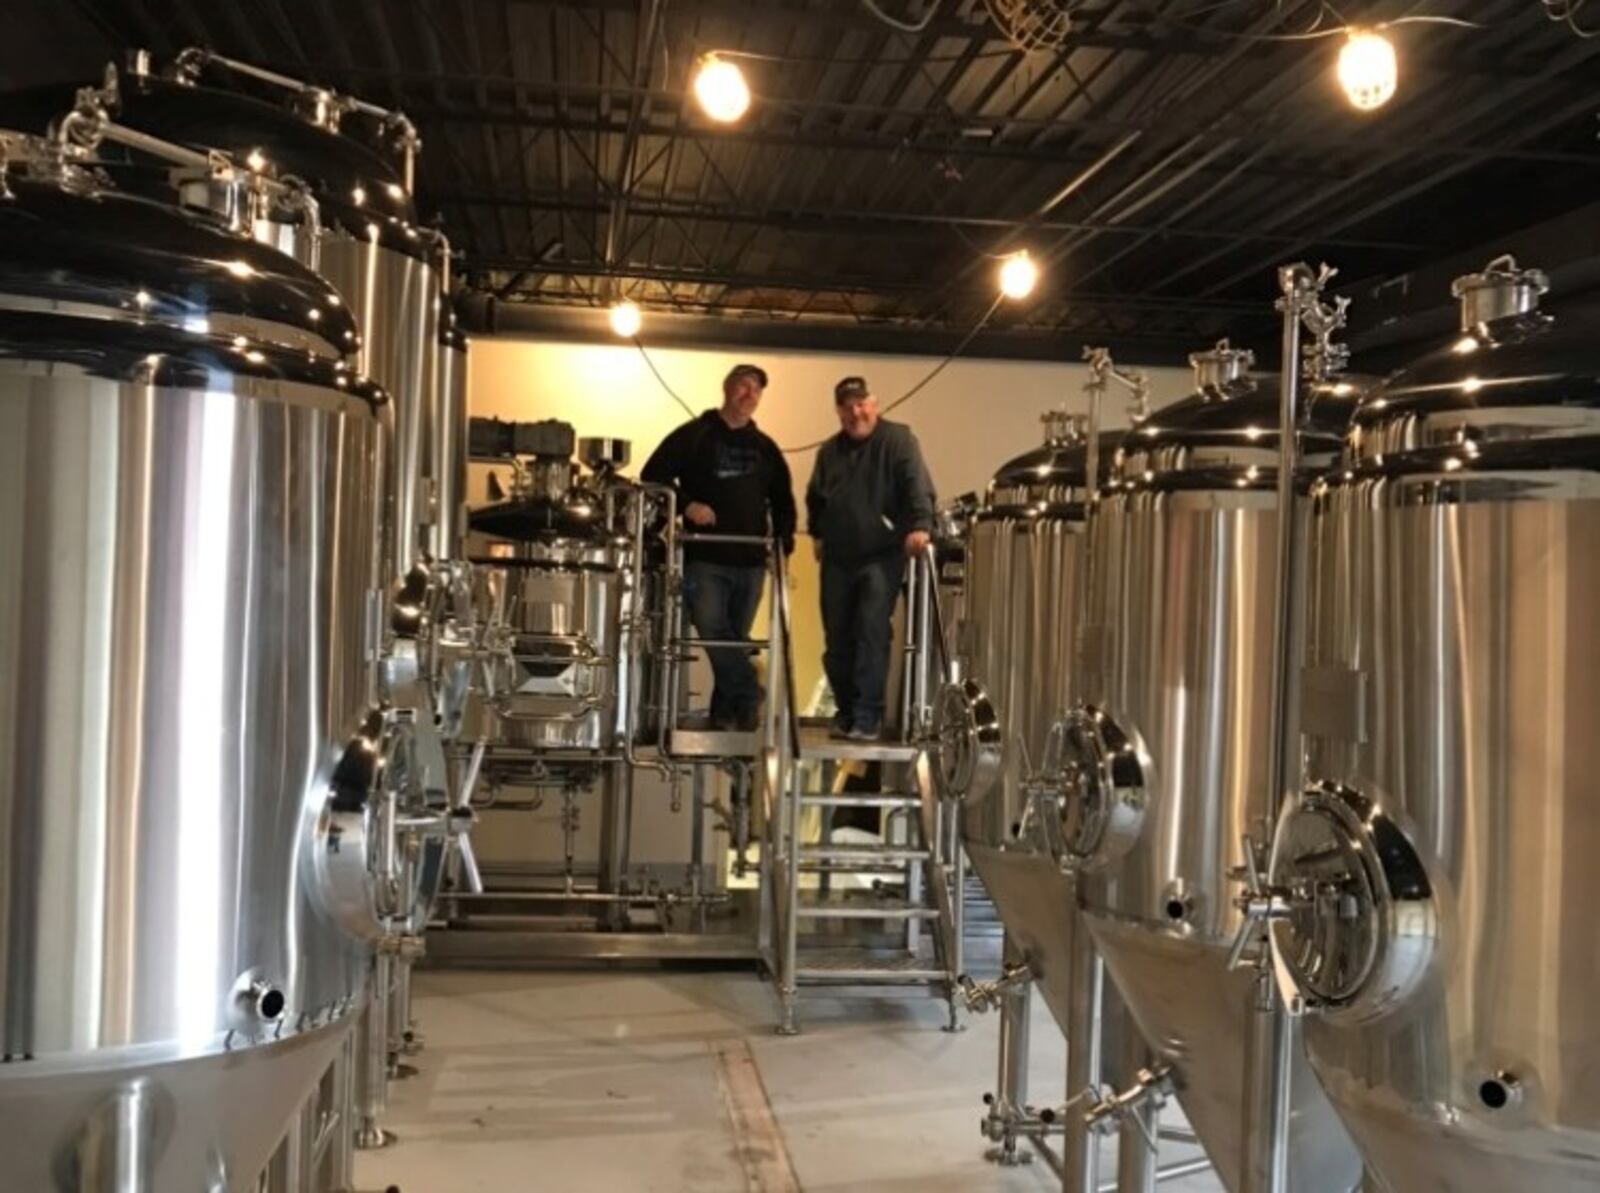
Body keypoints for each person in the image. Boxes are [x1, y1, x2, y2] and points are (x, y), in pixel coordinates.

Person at [642, 363, 796, 731]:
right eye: (743, 386)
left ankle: (728, 715)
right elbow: (652, 476)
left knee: (735, 640)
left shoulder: (766, 448)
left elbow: (783, 501)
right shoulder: (695, 435)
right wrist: (688, 503)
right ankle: (747, 692)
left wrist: (783, 549)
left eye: (756, 390)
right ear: (727, 388)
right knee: (713, 627)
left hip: (750, 559)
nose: (749, 395)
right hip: (705, 557)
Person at [806, 376, 935, 741]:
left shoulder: (899, 440)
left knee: (871, 632)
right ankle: (847, 713)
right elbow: (816, 495)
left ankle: (867, 716)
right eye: (847, 406)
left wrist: (920, 526)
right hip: (837, 556)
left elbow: (916, 485)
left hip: (882, 553)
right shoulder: (829, 451)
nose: (855, 412)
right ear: (838, 410)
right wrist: (816, 533)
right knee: (837, 641)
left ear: (874, 404)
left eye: (861, 404)